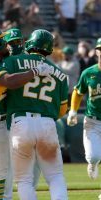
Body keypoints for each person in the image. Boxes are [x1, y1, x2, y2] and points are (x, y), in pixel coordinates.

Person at [0, 25, 53, 199]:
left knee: (0, 175)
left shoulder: (3, 60)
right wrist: (35, 71)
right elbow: (9, 81)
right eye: (2, 40)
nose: (6, 43)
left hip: (2, 123)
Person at [6, 29, 69, 199]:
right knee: (55, 176)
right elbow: (63, 110)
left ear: (30, 44)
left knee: (24, 179)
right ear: (49, 49)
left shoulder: (13, 61)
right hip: (47, 123)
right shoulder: (61, 74)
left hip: (20, 123)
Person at [67, 37, 101, 199]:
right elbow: (78, 92)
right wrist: (73, 111)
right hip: (93, 121)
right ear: (97, 52)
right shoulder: (89, 73)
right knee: (94, 156)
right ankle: (93, 164)